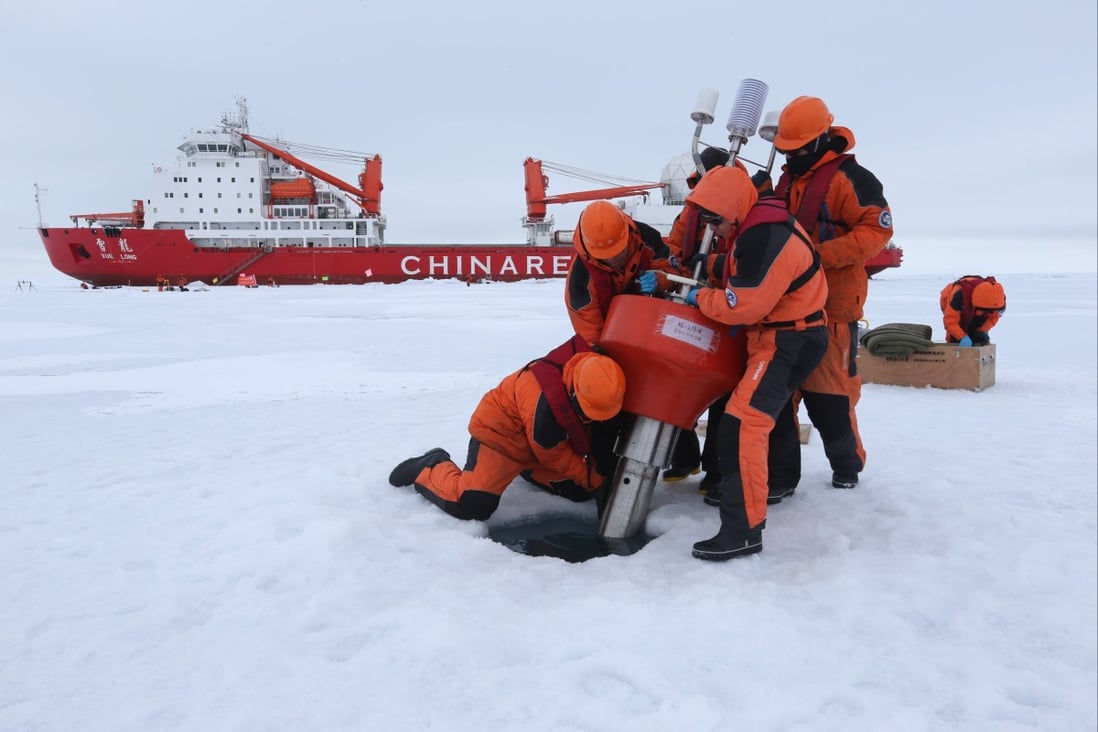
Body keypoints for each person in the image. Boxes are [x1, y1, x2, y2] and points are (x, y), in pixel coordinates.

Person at [682, 166, 829, 560]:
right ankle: (776, 483)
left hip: (787, 340)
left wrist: (702, 299)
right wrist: (693, 273)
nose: (714, 228)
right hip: (782, 335)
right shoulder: (756, 227)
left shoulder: (764, 235)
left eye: (715, 219)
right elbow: (742, 269)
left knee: (742, 424)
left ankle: (742, 531)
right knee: (764, 415)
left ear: (731, 209)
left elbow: (742, 305)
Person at [769, 95, 893, 492]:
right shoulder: (786, 179)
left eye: (799, 149)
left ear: (822, 139)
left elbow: (877, 231)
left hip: (833, 312)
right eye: (786, 151)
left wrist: (817, 257)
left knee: (831, 401)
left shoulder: (853, 179)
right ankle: (781, 479)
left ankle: (847, 466)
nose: (793, 157)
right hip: (784, 311)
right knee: (777, 403)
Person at [388, 339, 627, 522]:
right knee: (473, 505)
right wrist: (596, 481)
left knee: (579, 491)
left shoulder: (598, 373)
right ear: (575, 393)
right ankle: (432, 464)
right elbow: (551, 452)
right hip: (502, 440)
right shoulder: (542, 404)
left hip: (537, 445)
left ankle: (528, 471)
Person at [565, 200, 681, 345]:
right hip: (613, 338)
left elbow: (677, 273)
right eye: (605, 257)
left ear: (627, 234)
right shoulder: (579, 282)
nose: (614, 259)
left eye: (619, 252)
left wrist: (660, 280)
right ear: (590, 251)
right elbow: (591, 337)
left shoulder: (648, 238)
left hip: (658, 329)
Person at [940, 275, 1006, 346]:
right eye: (983, 311)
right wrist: (961, 336)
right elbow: (950, 321)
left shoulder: (998, 299)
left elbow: (993, 318)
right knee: (955, 338)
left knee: (978, 337)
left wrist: (982, 330)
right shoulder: (959, 296)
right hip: (950, 300)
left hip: (975, 304)